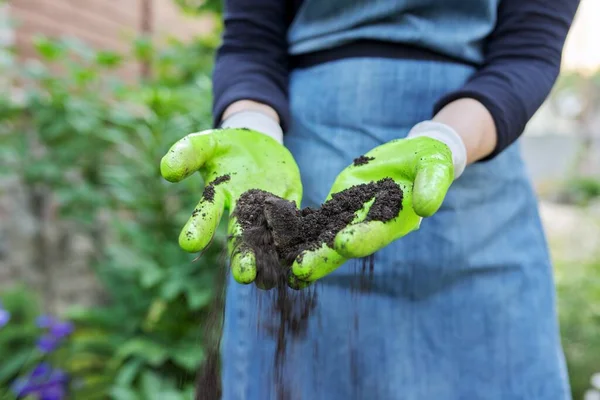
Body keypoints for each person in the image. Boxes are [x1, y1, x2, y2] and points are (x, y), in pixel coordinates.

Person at [160, 0, 581, 398]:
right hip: (307, 169)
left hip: (474, 175)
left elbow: (527, 50)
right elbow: (252, 40)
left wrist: (447, 143)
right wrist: (251, 126)